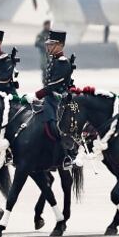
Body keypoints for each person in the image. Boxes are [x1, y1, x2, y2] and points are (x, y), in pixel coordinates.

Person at [34, 30, 77, 168]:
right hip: (51, 97)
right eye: (48, 44)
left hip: (60, 99)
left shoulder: (63, 63)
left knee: (57, 127)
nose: (47, 47)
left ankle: (67, 155)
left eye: (51, 45)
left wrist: (41, 93)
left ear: (60, 45)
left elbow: (56, 84)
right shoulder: (54, 60)